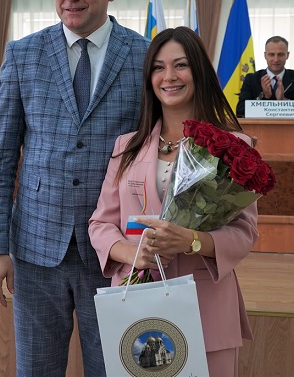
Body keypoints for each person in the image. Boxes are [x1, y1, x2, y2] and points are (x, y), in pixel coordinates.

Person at [0, 0, 149, 376]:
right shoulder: (22, 54)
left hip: (115, 251)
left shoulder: (146, 56)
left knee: (113, 368)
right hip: (35, 249)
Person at [88, 27, 259, 375]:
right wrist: (133, 254)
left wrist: (192, 240)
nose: (168, 76)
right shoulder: (127, 146)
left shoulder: (234, 148)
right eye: (158, 67)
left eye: (180, 65)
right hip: (137, 305)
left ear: (198, 71)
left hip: (206, 305)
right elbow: (100, 224)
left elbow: (244, 233)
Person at [236, 35, 294, 117]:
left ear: (287, 55)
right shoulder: (251, 79)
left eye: (280, 55)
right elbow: (240, 111)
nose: (276, 59)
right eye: (271, 54)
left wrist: (284, 101)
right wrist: (264, 97)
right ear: (265, 55)